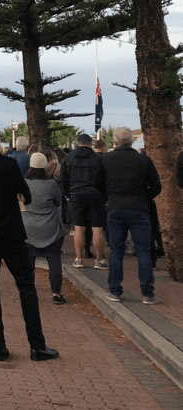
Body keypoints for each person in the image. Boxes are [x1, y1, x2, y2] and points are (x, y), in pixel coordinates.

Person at [0, 125, 58, 362]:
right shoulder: (9, 165)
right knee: (26, 286)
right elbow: (26, 194)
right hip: (11, 232)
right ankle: (37, 345)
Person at [99, 126, 162, 305]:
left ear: (116, 141)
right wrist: (145, 198)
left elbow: (97, 183)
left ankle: (115, 291)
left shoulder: (107, 160)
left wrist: (109, 197)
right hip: (139, 208)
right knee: (143, 251)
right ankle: (148, 293)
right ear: (132, 141)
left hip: (115, 207)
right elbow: (156, 186)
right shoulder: (144, 160)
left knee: (116, 251)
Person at [23, 153, 67, 305]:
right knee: (54, 260)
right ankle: (56, 292)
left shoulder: (24, 183)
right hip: (50, 227)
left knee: (28, 261)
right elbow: (58, 201)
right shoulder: (51, 184)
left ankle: (28, 291)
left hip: (28, 228)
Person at [61, 133, 107, 269]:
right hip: (95, 195)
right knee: (97, 228)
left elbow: (63, 179)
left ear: (77, 143)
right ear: (90, 143)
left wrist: (67, 194)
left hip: (76, 195)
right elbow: (104, 179)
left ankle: (78, 258)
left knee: (79, 227)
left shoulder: (68, 158)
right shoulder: (98, 158)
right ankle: (99, 260)